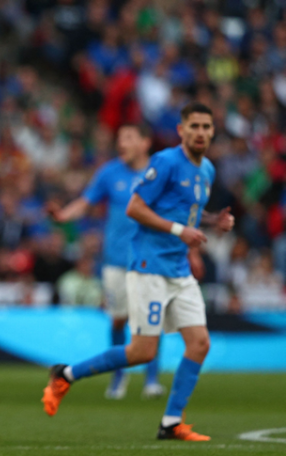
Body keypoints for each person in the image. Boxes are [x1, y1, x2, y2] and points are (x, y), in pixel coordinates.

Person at [41, 102, 234, 441]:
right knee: (142, 350)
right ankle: (65, 374)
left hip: (177, 267)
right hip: (148, 266)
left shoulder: (207, 171)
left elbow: (184, 212)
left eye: (206, 126)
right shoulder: (166, 162)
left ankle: (171, 422)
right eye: (194, 126)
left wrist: (213, 221)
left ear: (213, 130)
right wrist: (180, 233)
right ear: (181, 130)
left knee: (199, 343)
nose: (201, 132)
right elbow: (135, 207)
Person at [49, 124, 166, 400]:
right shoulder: (109, 172)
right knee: (118, 320)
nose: (121, 143)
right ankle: (119, 376)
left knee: (150, 319)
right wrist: (64, 215)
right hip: (115, 260)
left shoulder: (159, 173)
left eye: (128, 137)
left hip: (150, 259)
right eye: (119, 138)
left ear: (145, 142)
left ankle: (152, 379)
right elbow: (87, 202)